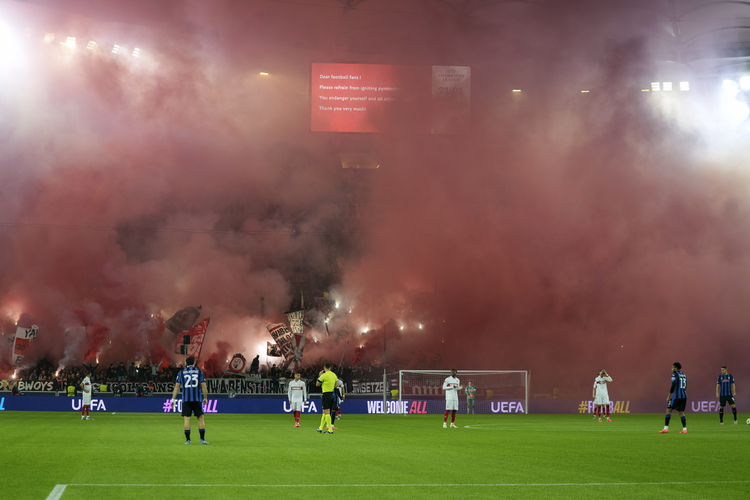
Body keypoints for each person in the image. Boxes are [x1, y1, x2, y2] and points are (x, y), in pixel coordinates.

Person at [171, 356, 209, 444]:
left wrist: (173, 399)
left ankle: (188, 440)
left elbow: (177, 387)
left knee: (187, 420)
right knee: (200, 419)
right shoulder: (199, 372)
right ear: (194, 363)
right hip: (197, 399)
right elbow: (203, 386)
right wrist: (205, 398)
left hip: (186, 400)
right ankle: (202, 439)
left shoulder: (181, 372)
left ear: (186, 363)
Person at [660, 362, 687, 434]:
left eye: (672, 367)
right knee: (681, 412)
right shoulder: (684, 375)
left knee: (669, 410)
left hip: (677, 396)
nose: (671, 369)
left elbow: (673, 386)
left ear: (676, 368)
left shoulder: (675, 375)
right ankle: (684, 429)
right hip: (684, 395)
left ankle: (666, 428)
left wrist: (669, 396)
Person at [316, 362, 337, 434]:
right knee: (324, 412)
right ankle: (320, 428)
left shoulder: (323, 375)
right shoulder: (334, 375)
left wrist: (320, 376)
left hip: (326, 394)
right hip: (332, 394)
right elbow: (336, 385)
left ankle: (330, 429)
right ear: (330, 367)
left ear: (324, 368)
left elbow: (317, 384)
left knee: (327, 412)